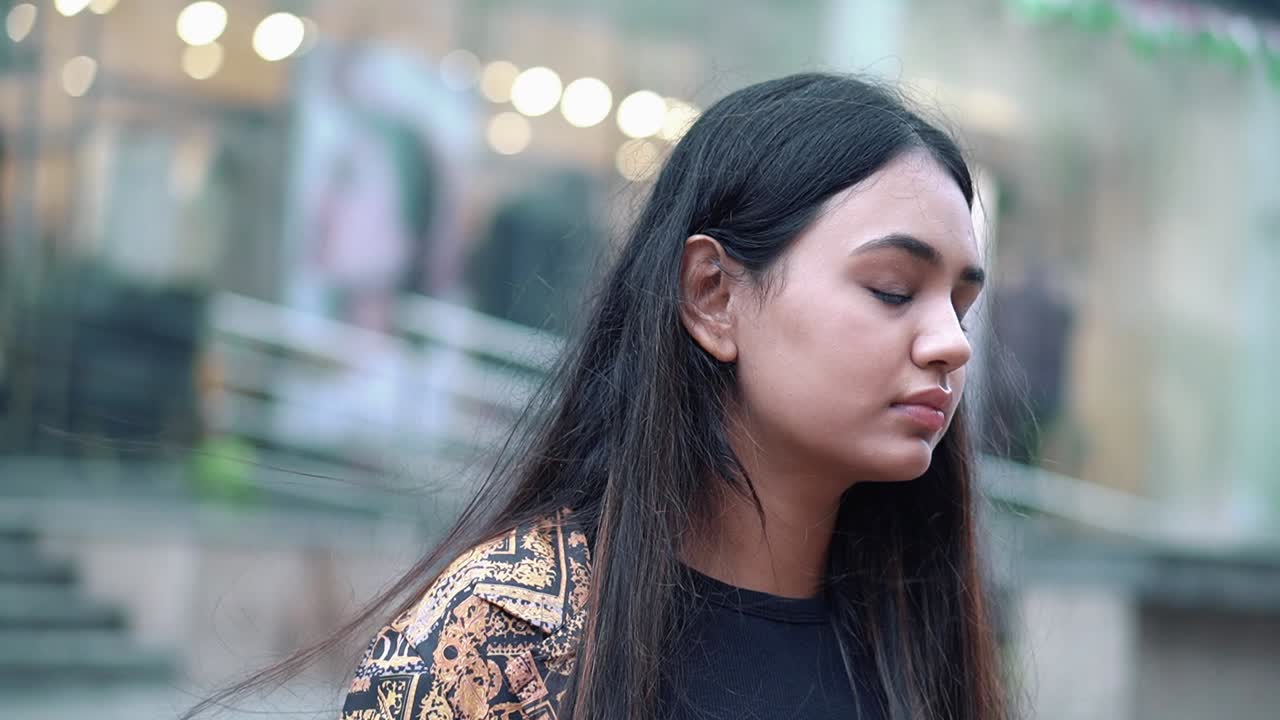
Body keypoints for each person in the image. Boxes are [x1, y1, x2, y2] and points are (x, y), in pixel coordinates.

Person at [191, 72, 1009, 720]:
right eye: (894, 289)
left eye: (961, 304)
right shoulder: (501, 638)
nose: (951, 343)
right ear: (713, 296)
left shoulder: (919, 638)